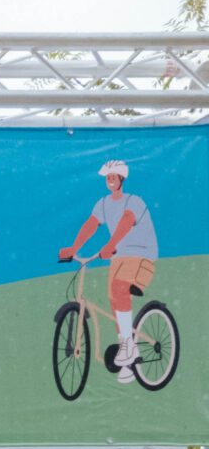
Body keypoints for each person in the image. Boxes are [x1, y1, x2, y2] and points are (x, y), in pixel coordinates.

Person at [60, 158, 160, 384]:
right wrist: (74, 249)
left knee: (119, 289)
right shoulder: (103, 204)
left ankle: (128, 346)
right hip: (119, 255)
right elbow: (91, 224)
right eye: (107, 178)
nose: (109, 181)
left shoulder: (133, 202)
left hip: (142, 254)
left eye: (113, 177)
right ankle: (129, 356)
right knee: (115, 301)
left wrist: (111, 244)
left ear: (122, 179)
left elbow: (126, 222)